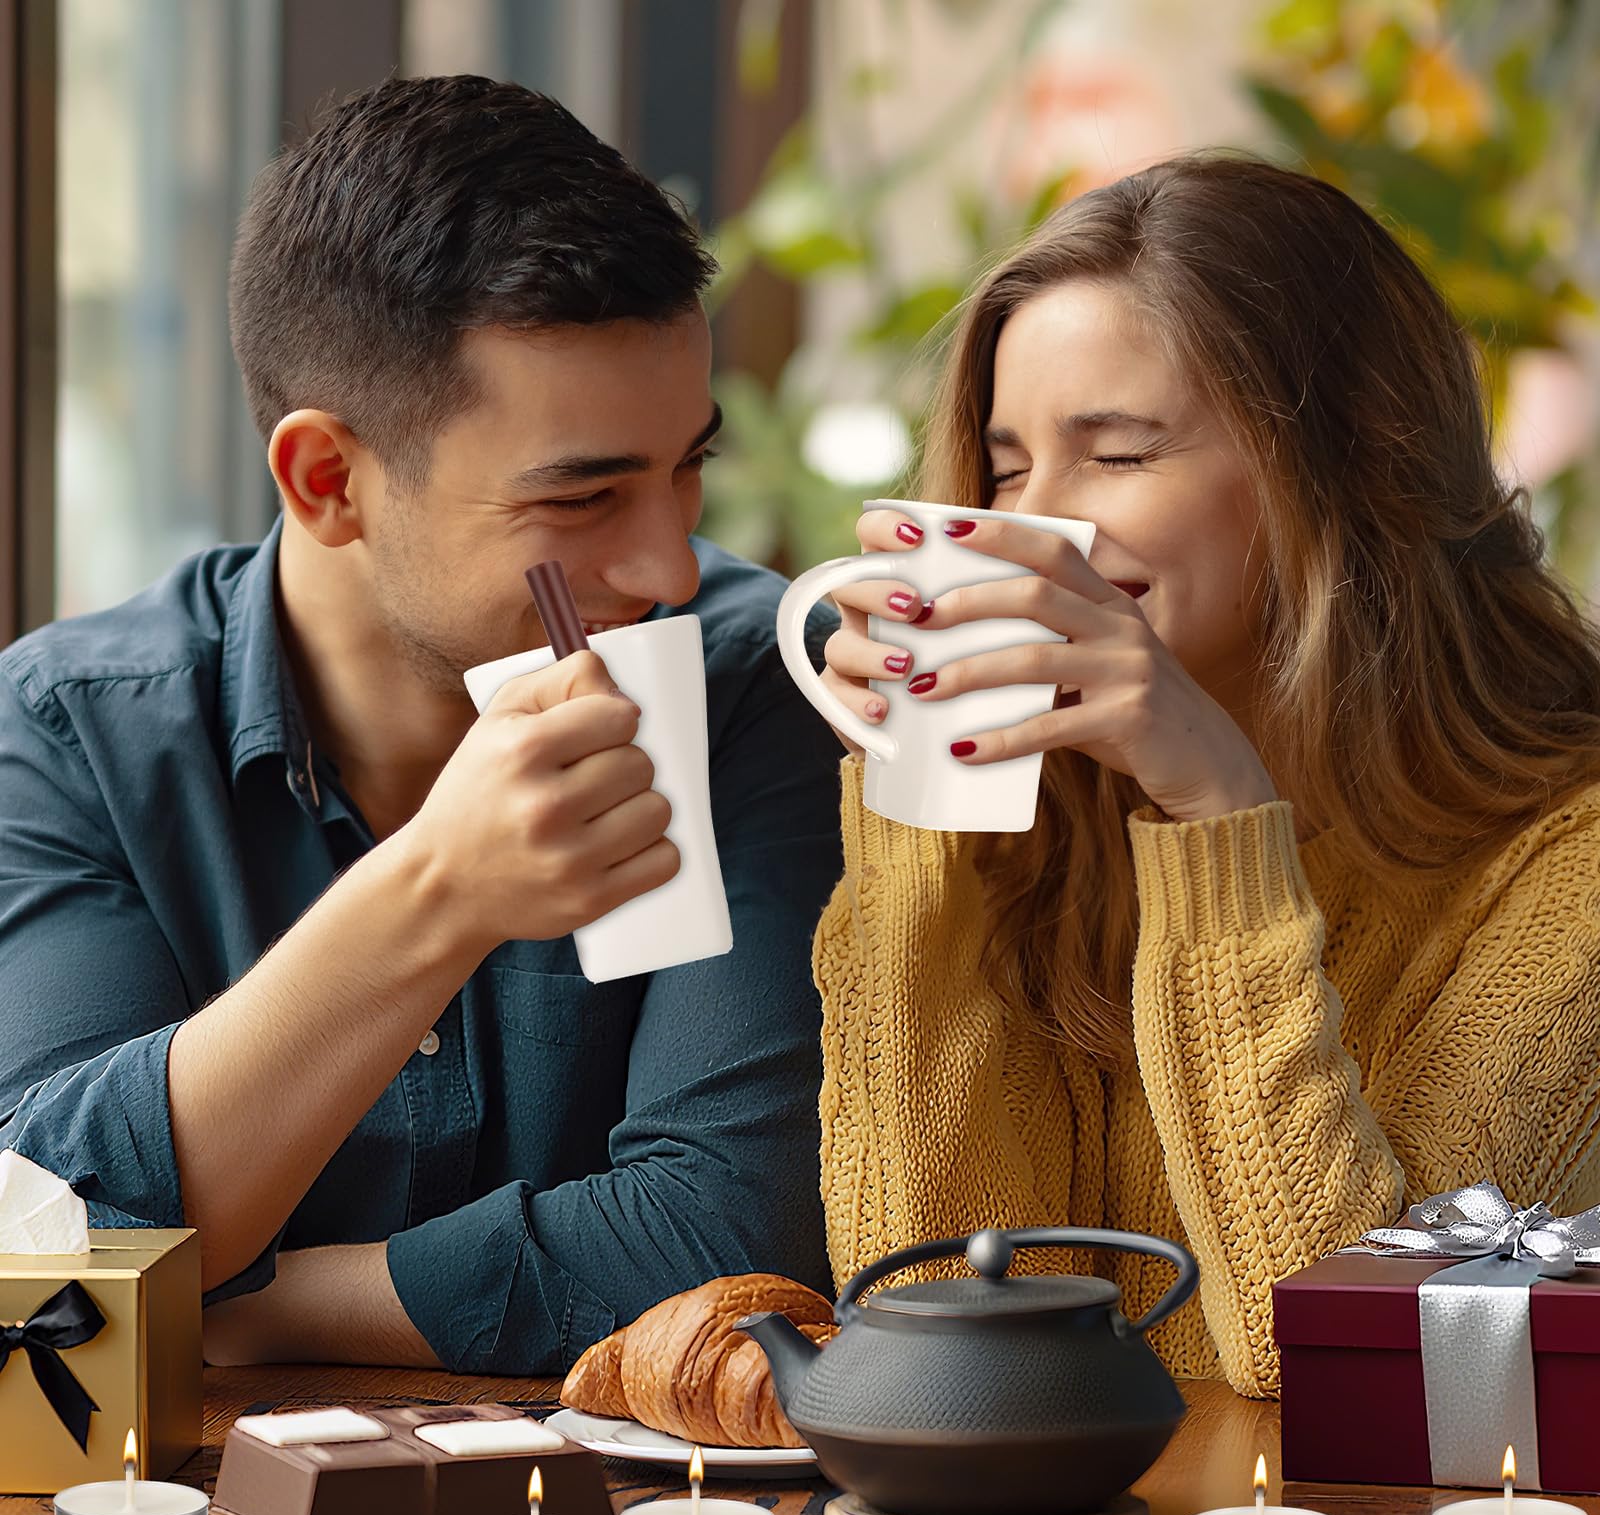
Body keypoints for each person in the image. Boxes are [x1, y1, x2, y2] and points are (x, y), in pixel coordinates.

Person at [0, 76, 843, 1375]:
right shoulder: (73, 735)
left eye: (687, 467)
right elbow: (40, 1249)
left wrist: (262, 1306)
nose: (669, 565)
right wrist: (439, 892)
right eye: (584, 499)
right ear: (328, 480)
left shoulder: (746, 681)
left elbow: (736, 1234)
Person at [812, 154, 1600, 1399]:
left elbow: (1359, 1372)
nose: (1032, 524)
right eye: (1006, 467)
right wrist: (921, 803)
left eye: (1118, 454)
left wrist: (1222, 826)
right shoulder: (1037, 824)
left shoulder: (1568, 867)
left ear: (1342, 468)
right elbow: (943, 1340)